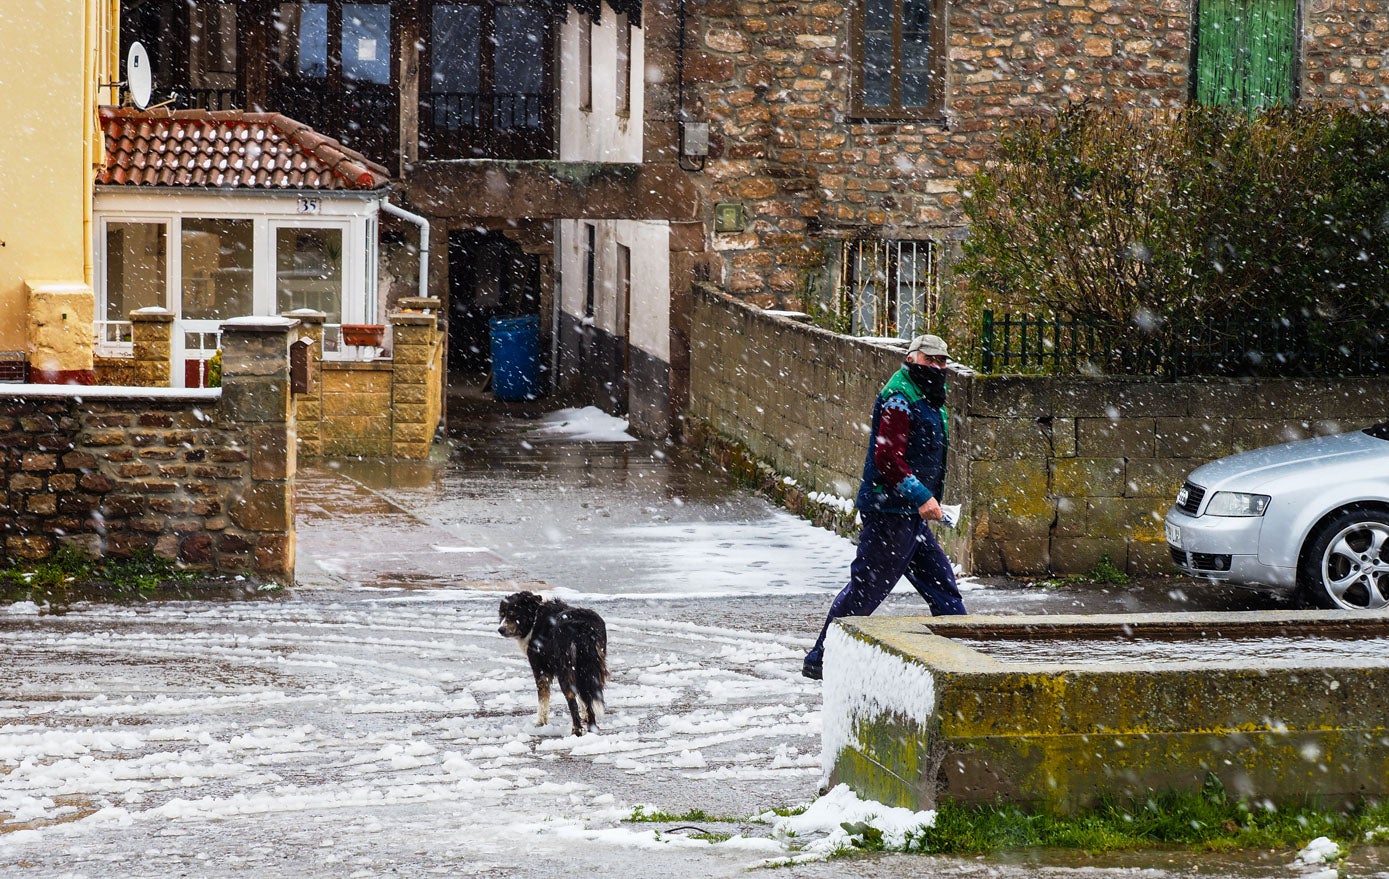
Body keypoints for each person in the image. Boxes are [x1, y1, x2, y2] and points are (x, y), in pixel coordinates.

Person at [802, 333, 967, 680]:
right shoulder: (899, 398)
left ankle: (962, 651)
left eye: (941, 361)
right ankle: (821, 659)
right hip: (889, 513)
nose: (937, 367)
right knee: (866, 591)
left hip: (906, 515)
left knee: (941, 583)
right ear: (913, 359)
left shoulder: (928, 395)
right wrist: (921, 495)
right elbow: (888, 459)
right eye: (930, 360)